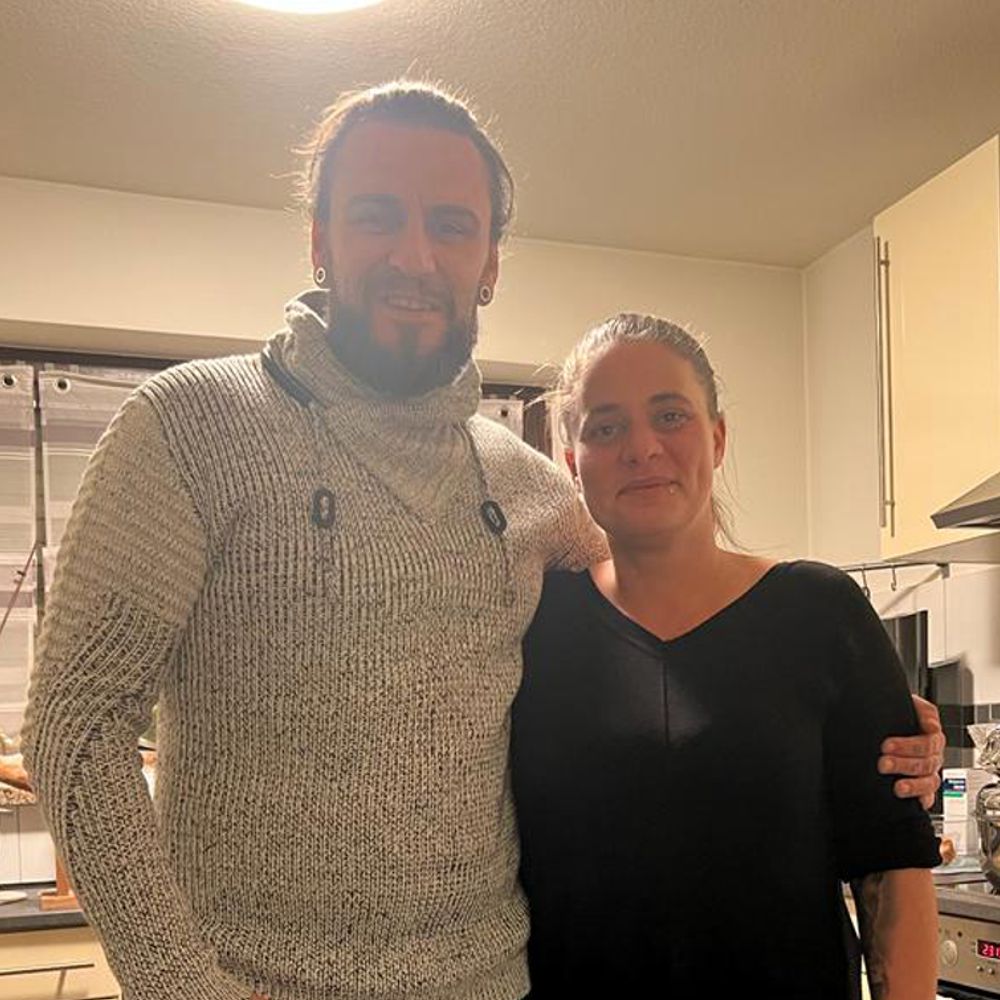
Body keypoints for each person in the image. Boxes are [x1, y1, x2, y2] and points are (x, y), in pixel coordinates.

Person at [22, 83, 942, 1000]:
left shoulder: (528, 489)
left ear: (490, 262)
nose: (414, 255)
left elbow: (670, 610)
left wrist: (874, 723)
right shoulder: (188, 426)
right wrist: (183, 988)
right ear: (320, 239)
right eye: (377, 216)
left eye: (451, 225)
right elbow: (75, 727)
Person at [511, 313, 940, 1000]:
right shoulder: (533, 623)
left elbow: (893, 865)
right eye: (606, 427)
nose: (641, 447)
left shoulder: (820, 612)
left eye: (670, 415)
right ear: (571, 464)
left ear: (716, 438)